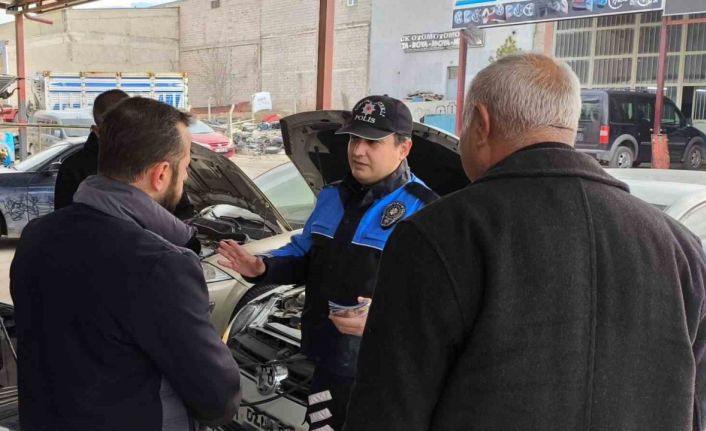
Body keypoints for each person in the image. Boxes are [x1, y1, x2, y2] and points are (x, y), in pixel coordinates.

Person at [343, 53, 706, 430]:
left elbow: (386, 412)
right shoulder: (680, 248)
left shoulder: (437, 235)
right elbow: (695, 406)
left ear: (481, 123)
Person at [10, 97, 241, 431]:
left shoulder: (37, 235)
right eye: (186, 166)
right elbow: (218, 399)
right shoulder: (160, 265)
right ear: (161, 173)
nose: (186, 176)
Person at [218, 95, 438, 430]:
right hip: (326, 362)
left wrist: (384, 314)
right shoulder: (331, 196)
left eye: (372, 142)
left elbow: (435, 301)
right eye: (354, 139)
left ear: (403, 148)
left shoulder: (425, 211)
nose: (357, 151)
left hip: (383, 374)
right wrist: (262, 267)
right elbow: (305, 254)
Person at [54, 89, 129, 210]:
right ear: (96, 130)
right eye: (114, 128)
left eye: (130, 125)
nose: (124, 135)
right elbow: (64, 220)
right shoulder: (73, 168)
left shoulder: (147, 161)